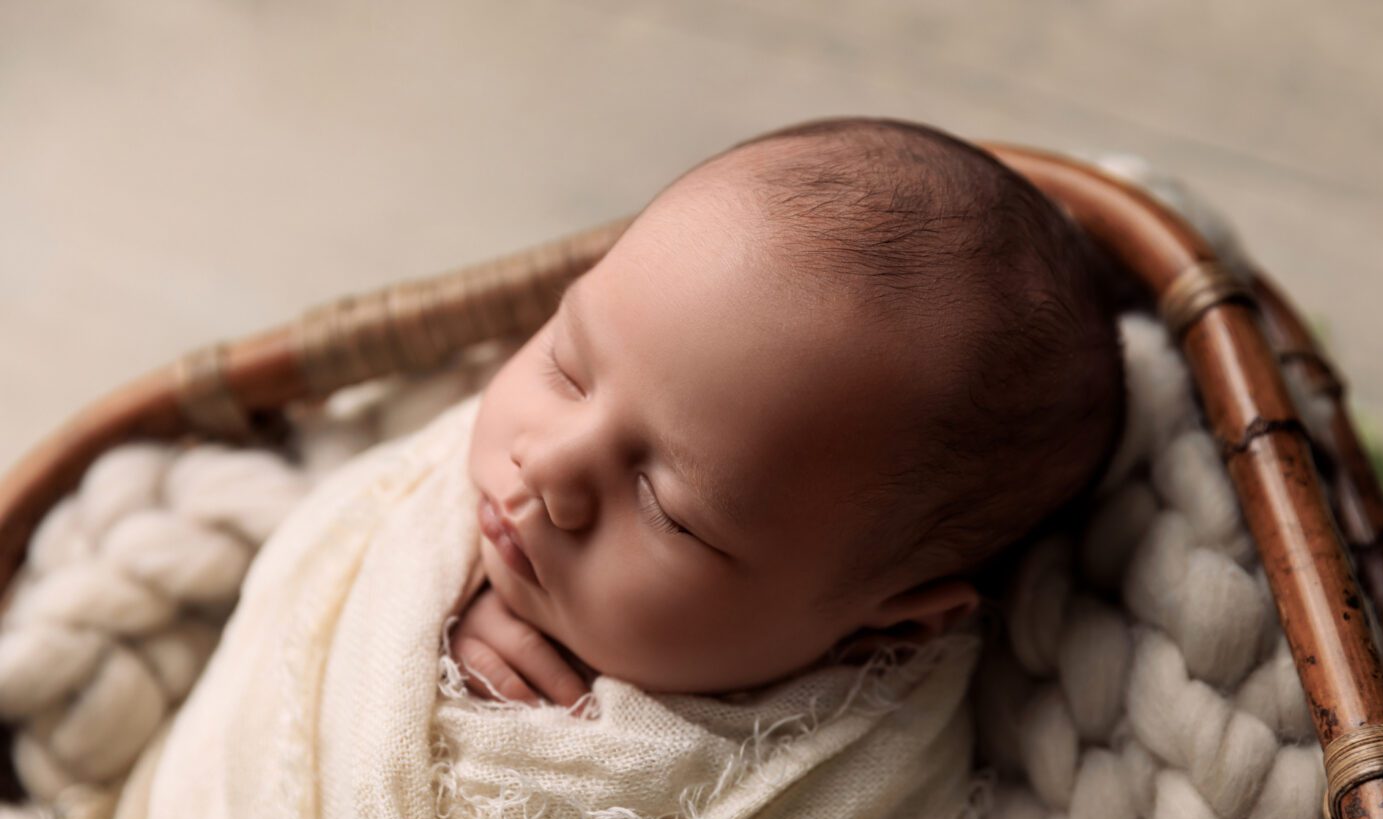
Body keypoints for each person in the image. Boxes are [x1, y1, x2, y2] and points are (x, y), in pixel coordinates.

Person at [452, 116, 1123, 705]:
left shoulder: (792, 806)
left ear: (888, 628)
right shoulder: (458, 511)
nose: (545, 464)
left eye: (669, 512)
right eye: (566, 369)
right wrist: (431, 624)